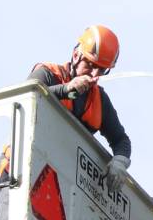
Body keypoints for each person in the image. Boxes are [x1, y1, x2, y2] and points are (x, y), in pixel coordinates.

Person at [32, 24, 133, 178]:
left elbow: (121, 140)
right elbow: (28, 97)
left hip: (60, 175)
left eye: (102, 70)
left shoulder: (99, 101)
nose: (95, 74)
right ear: (76, 56)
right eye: (91, 65)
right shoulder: (48, 74)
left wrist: (120, 161)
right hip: (23, 164)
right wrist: (65, 90)